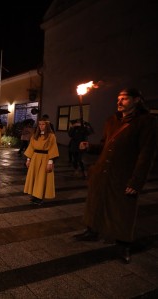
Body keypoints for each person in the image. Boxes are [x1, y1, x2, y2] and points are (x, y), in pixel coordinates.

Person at [74, 88, 157, 264]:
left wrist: (136, 182)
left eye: (124, 99)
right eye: (118, 99)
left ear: (136, 100)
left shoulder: (146, 122)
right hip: (103, 171)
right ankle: (92, 230)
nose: (119, 102)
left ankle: (123, 244)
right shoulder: (111, 120)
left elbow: (146, 155)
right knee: (96, 202)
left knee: (123, 210)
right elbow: (105, 146)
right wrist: (89, 147)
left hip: (123, 174)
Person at [23, 117, 59, 205]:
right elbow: (31, 147)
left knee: (42, 178)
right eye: (39, 124)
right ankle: (34, 195)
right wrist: (28, 159)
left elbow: (53, 148)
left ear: (47, 125)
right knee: (34, 176)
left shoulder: (51, 136)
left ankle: (39, 196)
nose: (41, 126)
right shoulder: (35, 135)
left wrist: (50, 162)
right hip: (35, 157)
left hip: (45, 157)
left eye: (43, 124)